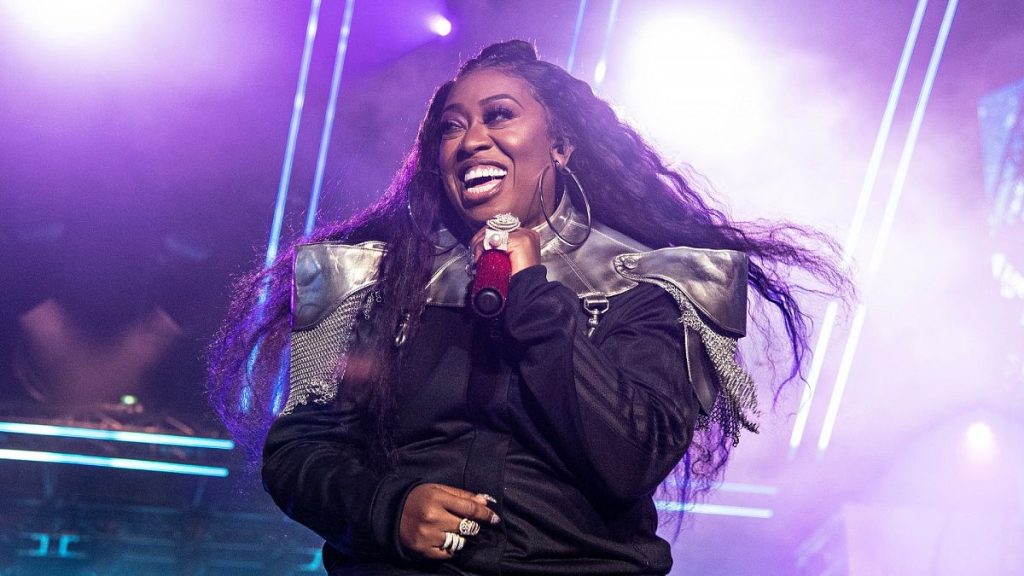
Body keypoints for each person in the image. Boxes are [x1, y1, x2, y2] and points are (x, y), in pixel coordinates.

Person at [209, 40, 850, 575]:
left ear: (561, 145)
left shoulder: (658, 282)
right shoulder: (369, 280)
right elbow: (300, 451)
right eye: (451, 127)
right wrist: (387, 508)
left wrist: (535, 297)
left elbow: (628, 457)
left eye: (499, 116)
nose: (470, 140)